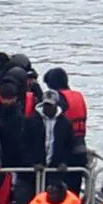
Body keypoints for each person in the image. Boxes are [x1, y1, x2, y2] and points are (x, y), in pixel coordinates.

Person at [42, 68, 88, 196]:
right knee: (74, 193)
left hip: (65, 153)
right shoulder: (78, 96)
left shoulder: (58, 100)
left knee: (56, 193)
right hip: (81, 150)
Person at [22, 90, 74, 192]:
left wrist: (64, 162)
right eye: (45, 104)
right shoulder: (31, 121)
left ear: (56, 105)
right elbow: (24, 144)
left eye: (50, 105)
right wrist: (32, 163)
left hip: (55, 169)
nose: (47, 107)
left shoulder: (66, 123)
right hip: (35, 169)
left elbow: (69, 145)